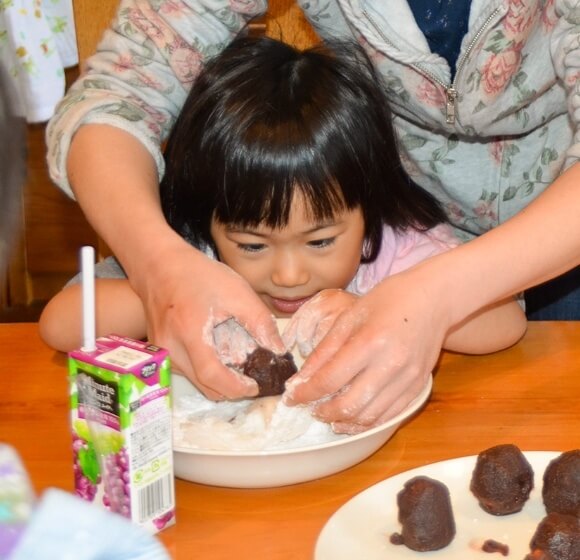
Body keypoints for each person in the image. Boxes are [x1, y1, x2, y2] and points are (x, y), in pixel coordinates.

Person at [45, 1, 580, 432]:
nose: (289, 276)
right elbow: (62, 321)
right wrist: (160, 276)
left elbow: (505, 322)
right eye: (252, 245)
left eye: (320, 241)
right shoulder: (203, 249)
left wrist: (407, 301)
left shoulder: (390, 251)